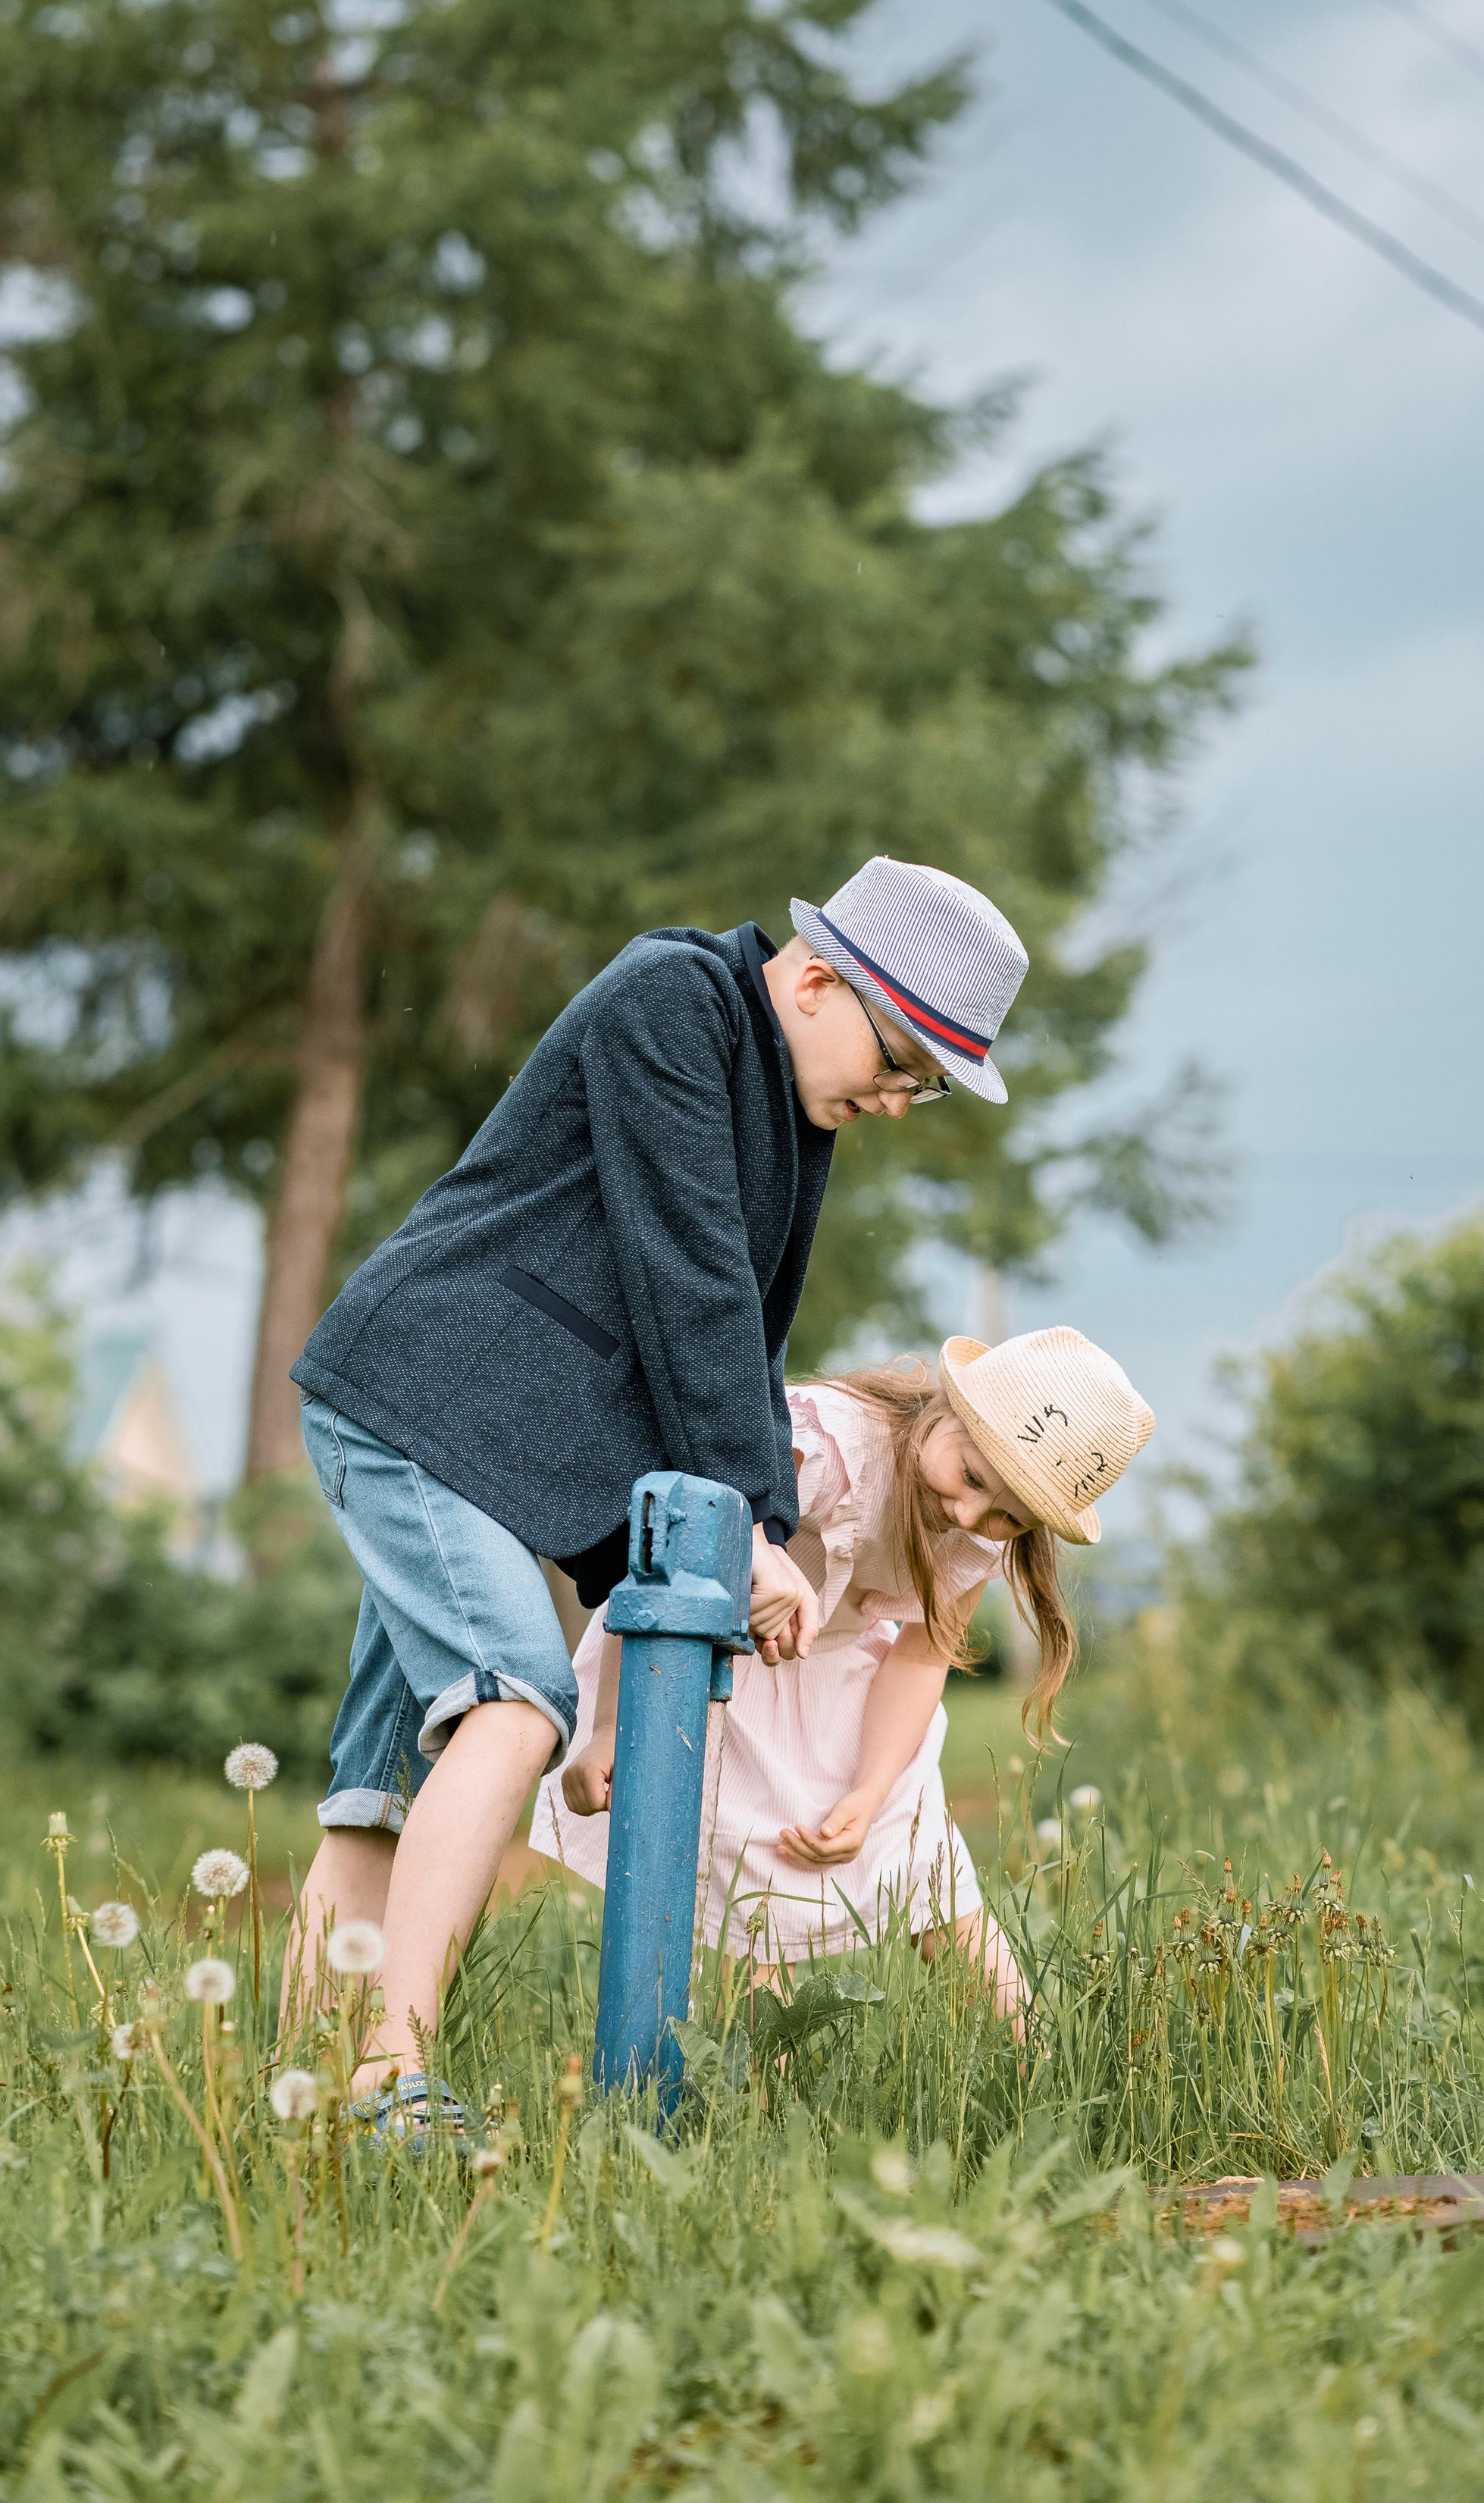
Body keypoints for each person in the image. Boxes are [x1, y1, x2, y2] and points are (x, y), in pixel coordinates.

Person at [280, 857, 1032, 2135]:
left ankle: (289, 2098)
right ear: (810, 979)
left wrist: (691, 1559)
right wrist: (747, 1526)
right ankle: (386, 2079)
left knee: (386, 1794)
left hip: (501, 1442)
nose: (901, 1099)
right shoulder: (673, 1000)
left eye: (924, 1089)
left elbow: (744, 1344)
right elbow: (688, 1283)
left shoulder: (796, 1113)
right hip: (426, 1397)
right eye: (902, 1060)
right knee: (515, 1710)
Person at [537, 1323, 1154, 2026]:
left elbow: (922, 1653)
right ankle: (756, 2091)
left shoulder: (979, 1528)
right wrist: (617, 1725)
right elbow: (666, 1569)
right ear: (946, 1411)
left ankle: (1038, 2059)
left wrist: (871, 1788)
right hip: (716, 1664)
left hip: (846, 1681)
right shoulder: (827, 1451)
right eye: (973, 1478)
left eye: (1009, 1516)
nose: (970, 1515)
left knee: (933, 1872)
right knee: (761, 1903)